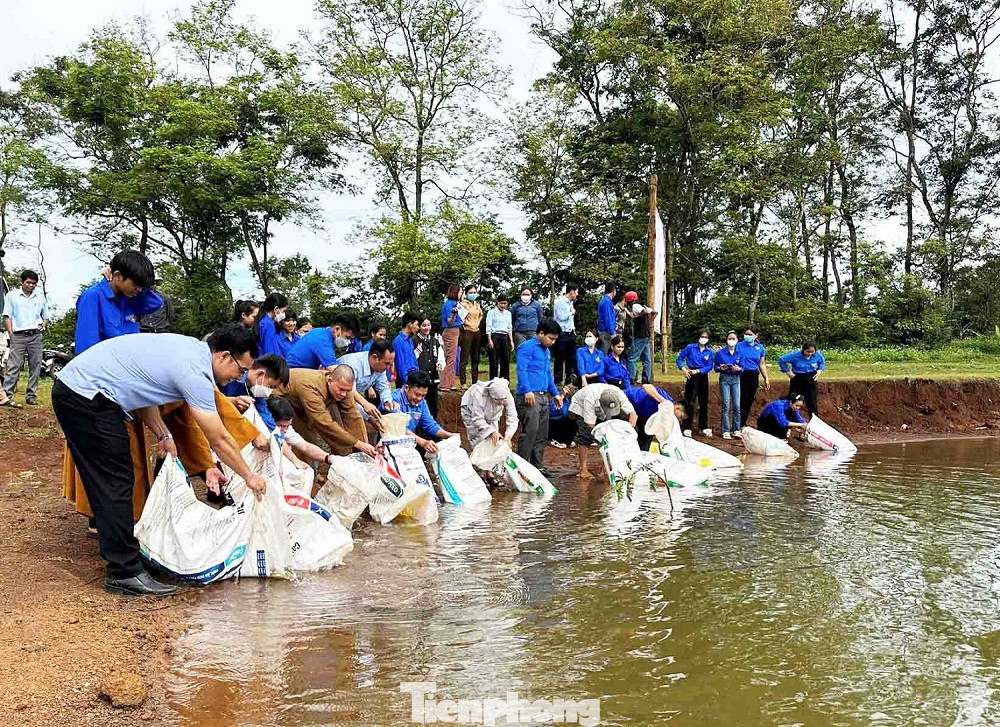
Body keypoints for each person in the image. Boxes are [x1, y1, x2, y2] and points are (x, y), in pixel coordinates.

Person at [51, 326, 269, 597]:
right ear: (224, 356)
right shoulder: (195, 372)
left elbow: (142, 389)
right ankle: (124, 572)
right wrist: (250, 477)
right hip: (84, 396)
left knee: (116, 478)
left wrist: (163, 434)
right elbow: (219, 438)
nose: (239, 376)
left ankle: (124, 556)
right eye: (240, 369)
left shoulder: (189, 351)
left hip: (86, 392)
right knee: (115, 481)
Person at [62, 253, 161, 534]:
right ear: (116, 276)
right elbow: (87, 349)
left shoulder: (129, 297)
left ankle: (132, 510)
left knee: (131, 452)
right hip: (102, 388)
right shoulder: (93, 297)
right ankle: (99, 514)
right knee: (106, 454)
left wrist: (141, 286)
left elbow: (154, 303)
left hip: (128, 386)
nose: (139, 291)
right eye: (135, 284)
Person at [279, 365, 376, 458]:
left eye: (347, 390)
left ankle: (339, 464)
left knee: (343, 443)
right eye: (341, 390)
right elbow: (324, 424)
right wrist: (357, 443)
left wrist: (364, 448)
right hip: (285, 399)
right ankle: (306, 470)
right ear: (329, 381)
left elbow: (352, 415)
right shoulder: (311, 389)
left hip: (308, 400)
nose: (344, 394)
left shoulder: (343, 385)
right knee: (306, 442)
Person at [515, 319, 563, 475]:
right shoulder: (527, 347)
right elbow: (521, 370)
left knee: (542, 433)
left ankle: (537, 466)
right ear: (541, 333)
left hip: (543, 396)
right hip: (529, 395)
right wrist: (527, 390)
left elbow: (547, 373)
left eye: (555, 339)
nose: (553, 342)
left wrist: (555, 393)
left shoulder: (546, 351)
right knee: (530, 431)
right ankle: (523, 467)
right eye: (551, 338)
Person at [2, 270, 51, 407]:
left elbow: (46, 317)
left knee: (35, 366)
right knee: (13, 366)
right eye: (28, 282)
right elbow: (7, 316)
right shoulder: (12, 296)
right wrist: (11, 333)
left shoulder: (40, 297)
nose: (31, 285)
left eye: (33, 283)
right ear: (21, 282)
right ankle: (7, 395)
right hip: (18, 335)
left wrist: (44, 325)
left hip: (35, 335)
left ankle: (31, 396)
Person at [568, 382, 637, 479]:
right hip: (580, 406)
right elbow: (590, 425)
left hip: (600, 406)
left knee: (612, 437)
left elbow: (633, 415)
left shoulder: (619, 394)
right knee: (586, 435)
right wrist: (604, 438)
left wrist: (627, 431)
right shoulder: (590, 398)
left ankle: (606, 469)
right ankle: (583, 469)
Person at [266, 396, 344, 479]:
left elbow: (305, 446)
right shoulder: (264, 427)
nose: (285, 430)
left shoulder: (285, 428)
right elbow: (278, 440)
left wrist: (327, 457)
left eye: (288, 426)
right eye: (282, 426)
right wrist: (295, 460)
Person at [388, 371, 459, 453]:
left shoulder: (422, 403)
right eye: (417, 394)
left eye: (423, 395)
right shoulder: (393, 400)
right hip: (391, 444)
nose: (419, 398)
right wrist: (423, 442)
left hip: (409, 444)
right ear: (407, 388)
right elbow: (399, 428)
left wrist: (448, 435)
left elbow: (430, 425)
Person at [219, 354, 290, 431]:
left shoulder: (256, 392)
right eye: (270, 387)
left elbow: (265, 417)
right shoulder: (229, 376)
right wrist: (231, 401)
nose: (268, 393)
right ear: (260, 374)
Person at [338, 339, 398, 425]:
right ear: (374, 358)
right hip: (335, 397)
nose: (388, 367)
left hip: (350, 397)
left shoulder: (380, 367)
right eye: (387, 363)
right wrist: (368, 414)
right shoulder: (352, 365)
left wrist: (387, 401)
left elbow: (383, 386)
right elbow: (349, 393)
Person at [624, 383, 690, 450]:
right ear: (677, 408)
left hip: (643, 417)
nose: (679, 420)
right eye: (681, 417)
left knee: (645, 442)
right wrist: (662, 401)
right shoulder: (665, 398)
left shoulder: (668, 418)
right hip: (628, 403)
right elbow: (646, 386)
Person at [676, 329, 715, 437]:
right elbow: (679, 359)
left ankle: (703, 426)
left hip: (702, 376)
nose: (704, 339)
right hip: (691, 375)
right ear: (698, 337)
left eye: (706, 337)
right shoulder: (690, 348)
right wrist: (683, 368)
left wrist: (699, 371)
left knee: (703, 402)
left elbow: (709, 366)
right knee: (690, 401)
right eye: (702, 336)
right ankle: (687, 427)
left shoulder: (709, 352)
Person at [460, 377, 518, 449]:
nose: (501, 403)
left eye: (503, 400)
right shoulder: (479, 395)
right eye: (497, 400)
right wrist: (491, 431)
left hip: (493, 416)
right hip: (470, 411)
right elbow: (477, 418)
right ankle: (476, 456)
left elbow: (513, 417)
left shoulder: (506, 394)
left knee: (494, 441)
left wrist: (508, 435)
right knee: (478, 439)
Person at [779, 340, 826, 416]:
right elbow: (781, 360)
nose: (809, 354)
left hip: (811, 378)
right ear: (803, 350)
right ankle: (790, 420)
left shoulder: (818, 355)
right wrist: (787, 371)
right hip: (798, 378)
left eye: (812, 352)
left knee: (812, 402)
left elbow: (822, 361)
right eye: (807, 352)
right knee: (795, 399)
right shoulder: (795, 355)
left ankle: (814, 422)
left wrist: (820, 370)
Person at [737, 326, 770, 426]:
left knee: (749, 399)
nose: (747, 336)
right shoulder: (738, 345)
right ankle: (737, 423)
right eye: (746, 334)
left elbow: (762, 364)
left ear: (756, 336)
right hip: (741, 373)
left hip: (753, 374)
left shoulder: (760, 348)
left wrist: (766, 378)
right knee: (742, 399)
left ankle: (742, 423)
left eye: (750, 334)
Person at [413, 315, 445, 418]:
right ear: (419, 326)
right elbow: (412, 358)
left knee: (433, 405)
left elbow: (440, 354)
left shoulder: (434, 341)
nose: (427, 328)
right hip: (421, 378)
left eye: (428, 325)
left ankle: (432, 428)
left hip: (433, 379)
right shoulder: (414, 340)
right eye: (424, 325)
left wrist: (440, 363)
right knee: (420, 404)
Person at [714, 331, 743, 440]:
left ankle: (736, 429)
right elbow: (715, 367)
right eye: (729, 338)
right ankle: (725, 430)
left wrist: (738, 369)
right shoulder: (720, 353)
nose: (731, 341)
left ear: (737, 341)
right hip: (724, 379)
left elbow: (742, 368)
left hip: (736, 379)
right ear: (726, 340)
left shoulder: (740, 353)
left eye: (733, 339)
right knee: (726, 404)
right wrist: (721, 368)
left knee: (736, 405)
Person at [624, 291, 657, 385]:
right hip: (646, 335)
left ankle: (631, 379)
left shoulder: (635, 307)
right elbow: (654, 312)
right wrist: (650, 322)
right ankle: (646, 380)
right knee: (646, 359)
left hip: (640, 336)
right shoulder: (641, 306)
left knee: (631, 358)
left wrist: (634, 317)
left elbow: (645, 312)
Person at [552, 283, 579, 386]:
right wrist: (571, 313)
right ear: (571, 292)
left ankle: (569, 380)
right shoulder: (559, 302)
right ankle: (558, 381)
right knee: (559, 357)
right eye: (576, 292)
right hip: (562, 333)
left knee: (571, 357)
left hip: (570, 332)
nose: (576, 294)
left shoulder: (570, 303)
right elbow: (561, 317)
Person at [459, 284, 484, 387]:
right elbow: (460, 317)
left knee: (475, 357)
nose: (473, 294)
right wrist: (466, 324)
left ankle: (475, 381)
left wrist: (477, 323)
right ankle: (463, 382)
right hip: (467, 331)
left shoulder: (476, 304)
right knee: (464, 357)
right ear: (466, 293)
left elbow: (481, 315)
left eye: (474, 292)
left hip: (476, 331)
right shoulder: (463, 304)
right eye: (471, 292)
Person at [486, 294, 514, 381]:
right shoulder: (491, 312)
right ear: (497, 303)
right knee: (494, 361)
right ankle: (493, 382)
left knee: (505, 361)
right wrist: (490, 340)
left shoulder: (508, 314)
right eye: (501, 303)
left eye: (505, 303)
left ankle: (505, 382)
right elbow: (489, 326)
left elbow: (509, 328)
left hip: (505, 337)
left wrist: (511, 341)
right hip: (495, 336)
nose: (503, 305)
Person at [440, 284, 462, 391]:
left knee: (453, 357)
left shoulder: (455, 303)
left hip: (455, 330)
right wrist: (454, 314)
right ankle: (445, 384)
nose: (461, 294)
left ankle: (451, 382)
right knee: (450, 358)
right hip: (451, 331)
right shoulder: (449, 304)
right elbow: (449, 321)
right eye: (460, 292)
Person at [392, 312, 420, 387]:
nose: (418, 328)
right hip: (405, 382)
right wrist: (408, 382)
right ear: (409, 323)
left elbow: (414, 360)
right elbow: (400, 364)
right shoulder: (398, 341)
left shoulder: (410, 340)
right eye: (416, 324)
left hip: (414, 378)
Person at [596, 282, 617, 352]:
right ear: (613, 291)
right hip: (605, 332)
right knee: (604, 353)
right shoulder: (607, 302)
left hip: (604, 331)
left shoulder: (604, 300)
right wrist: (612, 332)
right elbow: (608, 318)